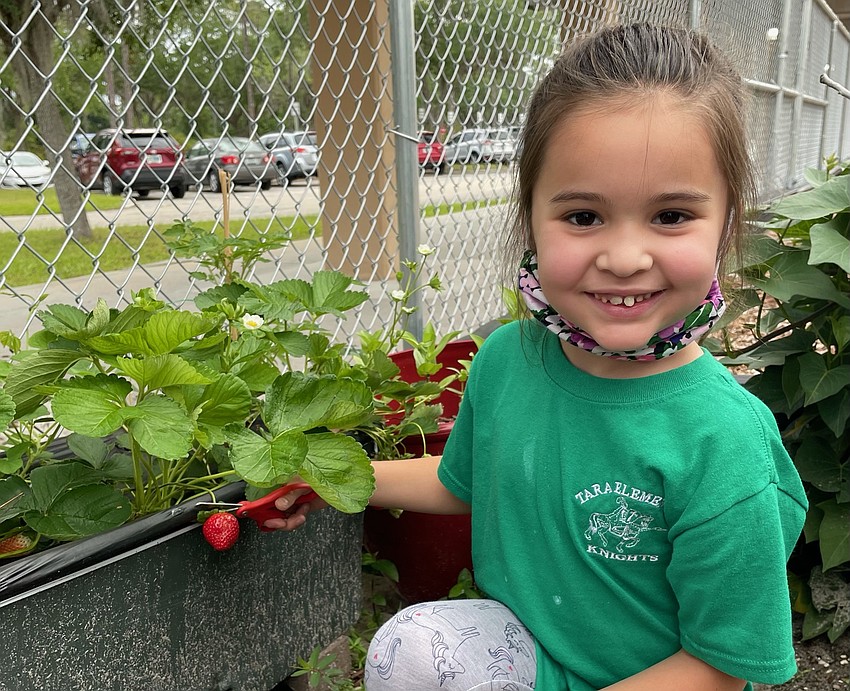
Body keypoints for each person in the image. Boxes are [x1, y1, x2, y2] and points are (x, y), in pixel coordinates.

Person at [266, 22, 807, 691]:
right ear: (531, 217)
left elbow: (721, 666)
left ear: (729, 222)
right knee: (408, 647)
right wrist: (333, 476)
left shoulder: (726, 444)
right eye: (583, 216)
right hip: (536, 656)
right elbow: (459, 481)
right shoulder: (507, 359)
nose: (624, 257)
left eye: (670, 215)